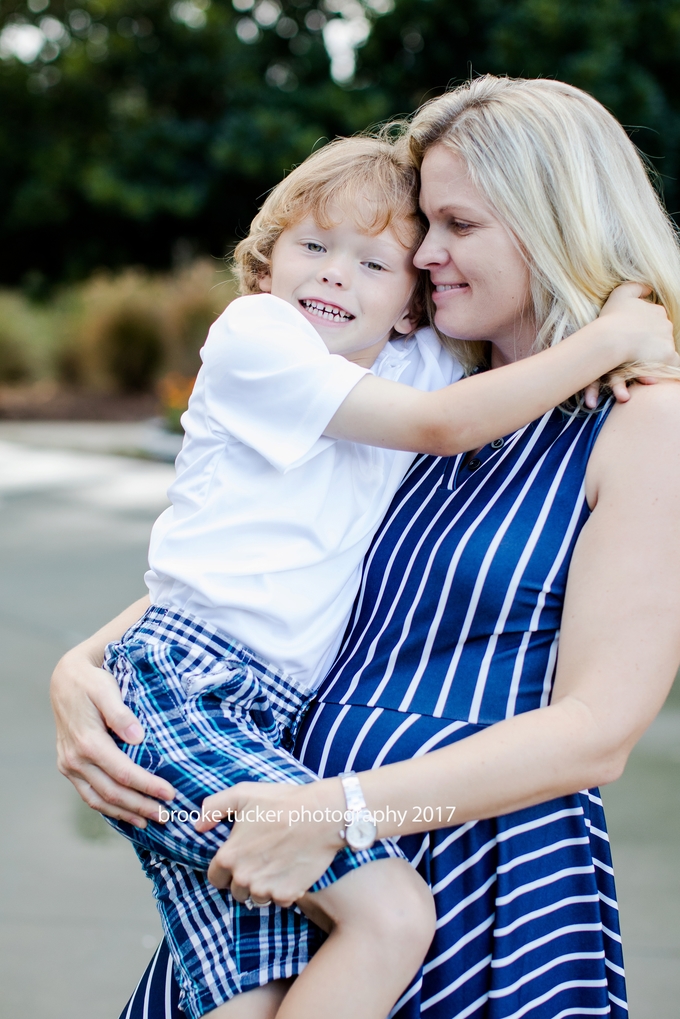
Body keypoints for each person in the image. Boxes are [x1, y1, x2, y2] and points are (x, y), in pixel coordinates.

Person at [50, 77, 680, 1019]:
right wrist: (82, 663)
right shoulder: (412, 389)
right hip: (285, 829)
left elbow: (599, 729)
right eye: (425, 225)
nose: (425, 253)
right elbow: (267, 556)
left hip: (468, 868)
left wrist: (341, 811)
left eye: (457, 225)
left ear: (553, 223)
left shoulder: (643, 422)